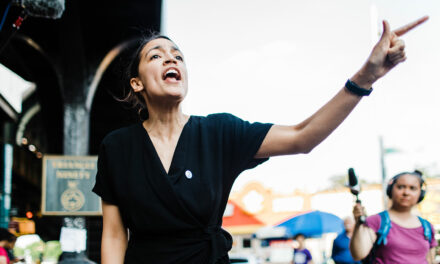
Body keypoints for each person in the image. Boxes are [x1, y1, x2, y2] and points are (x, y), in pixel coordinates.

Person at [92, 16, 429, 264]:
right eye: (156, 55)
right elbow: (113, 233)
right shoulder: (117, 147)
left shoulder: (220, 132)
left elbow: (303, 137)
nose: (171, 59)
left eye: (178, 55)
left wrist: (366, 76)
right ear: (137, 84)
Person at [350, 171, 437, 263]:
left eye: (413, 188)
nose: (406, 192)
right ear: (390, 189)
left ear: (421, 194)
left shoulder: (427, 227)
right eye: (400, 187)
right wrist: (358, 224)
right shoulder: (376, 221)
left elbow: (430, 260)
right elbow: (358, 255)